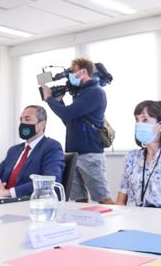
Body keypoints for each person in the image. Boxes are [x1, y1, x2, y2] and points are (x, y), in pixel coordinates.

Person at [41, 58, 113, 204]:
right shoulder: (80, 94)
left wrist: (49, 99)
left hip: (90, 154)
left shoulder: (95, 92)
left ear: (84, 71)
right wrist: (59, 101)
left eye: (72, 71)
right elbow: (69, 121)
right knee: (79, 199)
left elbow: (67, 113)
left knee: (103, 199)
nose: (70, 75)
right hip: (74, 153)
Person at [0, 105, 64, 198]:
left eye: (27, 119)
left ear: (42, 124)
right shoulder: (14, 151)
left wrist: (8, 193)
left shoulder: (51, 147)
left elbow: (49, 182)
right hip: (2, 203)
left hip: (29, 204)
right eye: (21, 120)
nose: (23, 123)